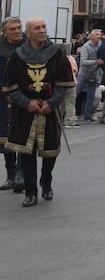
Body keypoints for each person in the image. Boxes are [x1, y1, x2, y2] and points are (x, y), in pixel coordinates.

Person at [4, 18, 73, 206]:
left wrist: (52, 103)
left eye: (44, 26)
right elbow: (10, 86)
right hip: (25, 113)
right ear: (29, 32)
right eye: (37, 28)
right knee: (27, 154)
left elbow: (63, 82)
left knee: (50, 152)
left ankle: (46, 182)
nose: (42, 30)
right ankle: (31, 191)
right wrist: (27, 103)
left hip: (49, 111)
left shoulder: (57, 53)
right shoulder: (18, 56)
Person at [0, 18, 24, 191]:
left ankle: (21, 174)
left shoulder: (29, 46)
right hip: (3, 97)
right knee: (6, 136)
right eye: (12, 29)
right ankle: (10, 174)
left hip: (25, 97)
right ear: (4, 32)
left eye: (19, 28)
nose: (17, 31)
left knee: (22, 136)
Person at [75, 29, 102, 123]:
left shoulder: (100, 45)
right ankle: (66, 114)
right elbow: (83, 61)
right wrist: (96, 62)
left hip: (94, 73)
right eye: (97, 34)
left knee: (91, 96)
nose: (99, 36)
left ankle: (88, 116)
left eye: (100, 34)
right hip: (84, 73)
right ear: (92, 36)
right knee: (75, 93)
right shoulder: (86, 46)